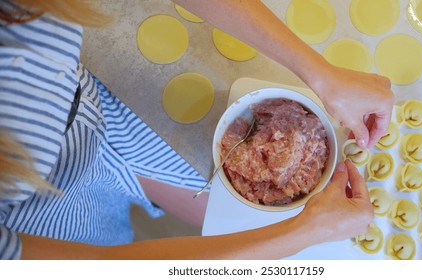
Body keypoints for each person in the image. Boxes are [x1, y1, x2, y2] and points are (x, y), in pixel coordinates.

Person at [0, 0, 392, 259]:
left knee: (225, 214)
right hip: (45, 213)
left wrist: (322, 75)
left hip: (91, 108)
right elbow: (103, 265)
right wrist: (302, 234)